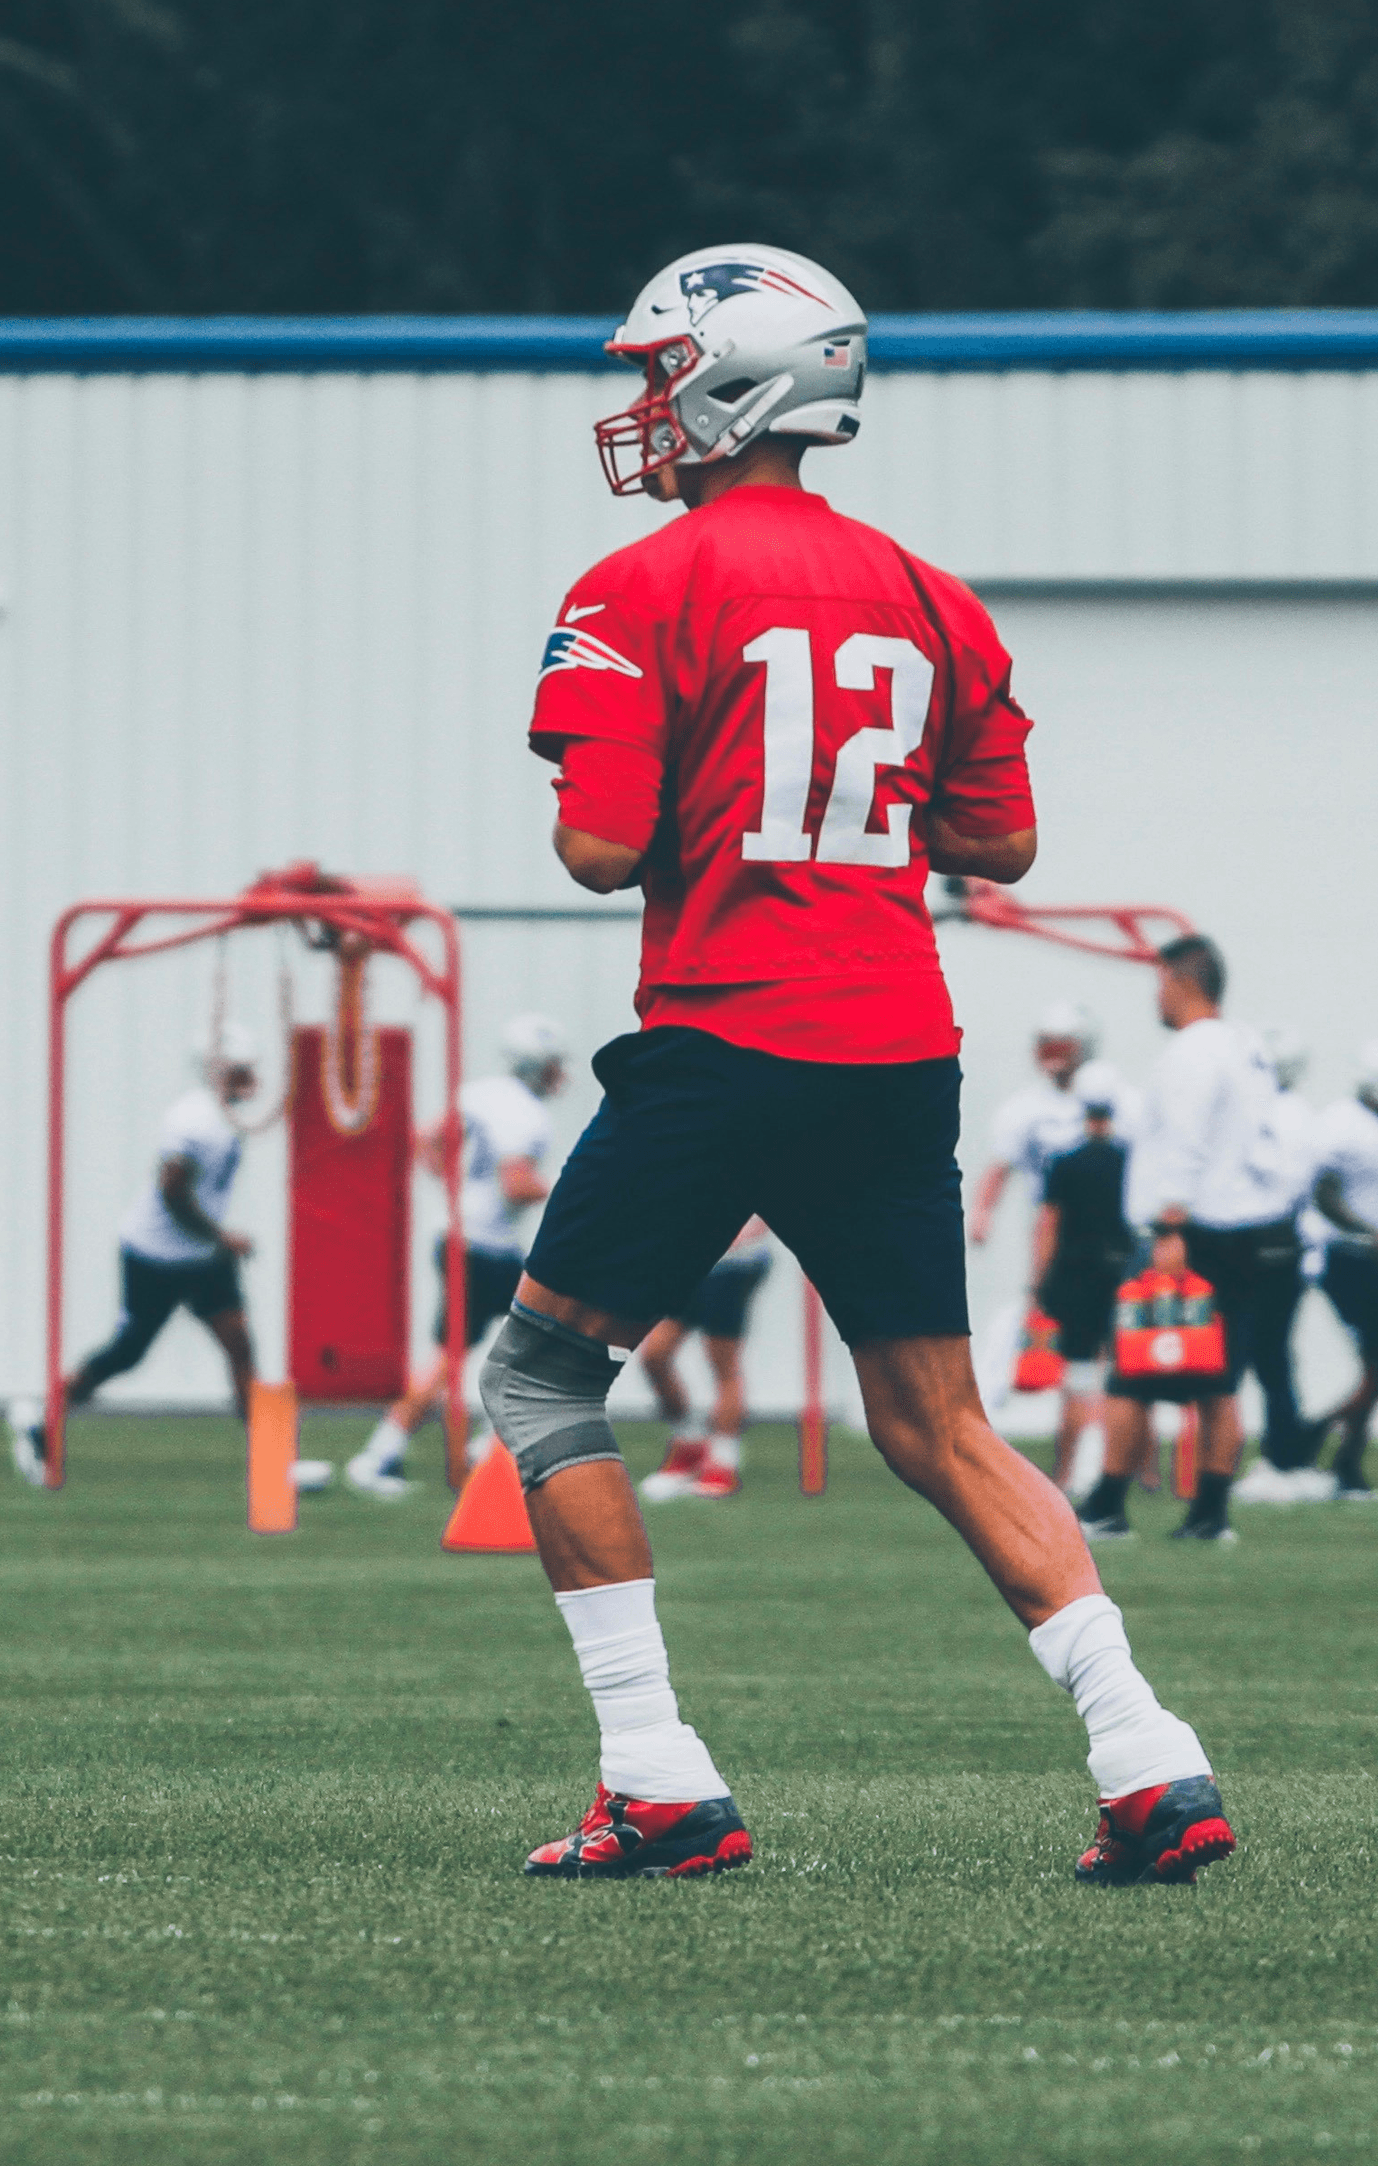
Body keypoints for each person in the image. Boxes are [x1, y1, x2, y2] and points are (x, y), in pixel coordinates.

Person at [481, 239, 1233, 1888]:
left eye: (655, 373)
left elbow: (599, 847)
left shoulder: (634, 588)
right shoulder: (927, 595)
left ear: (725, 383)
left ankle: (655, 1772)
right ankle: (1145, 1752)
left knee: (538, 1381)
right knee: (938, 1418)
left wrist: (701, 786)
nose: (639, 408)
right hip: (894, 1035)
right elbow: (1001, 838)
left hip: (722, 1026)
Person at [1074, 934, 1305, 1549]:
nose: (1157, 995)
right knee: (1218, 1378)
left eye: (1160, 982)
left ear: (1181, 981)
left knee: (1134, 1370)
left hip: (1192, 1230)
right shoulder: (1244, 1044)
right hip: (1244, 1230)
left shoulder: (1194, 1051)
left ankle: (1107, 1506)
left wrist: (1168, 1227)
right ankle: (1210, 1512)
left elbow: (1185, 1138)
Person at [10, 1029, 261, 1477]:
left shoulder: (226, 1118)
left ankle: (265, 1455)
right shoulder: (195, 1120)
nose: (253, 1081)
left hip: (202, 1257)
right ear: (221, 1072)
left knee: (240, 1344)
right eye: (243, 1071)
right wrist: (221, 1236)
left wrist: (215, 1241)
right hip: (156, 1255)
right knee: (127, 1353)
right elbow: (172, 1191)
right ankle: (42, 1419)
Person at [344, 1015, 567, 1497]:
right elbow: (517, 1184)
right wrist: (577, 1186)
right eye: (553, 1066)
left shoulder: (481, 1093)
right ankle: (381, 1453)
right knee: (468, 1355)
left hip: (467, 1237)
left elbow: (426, 1137)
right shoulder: (524, 1113)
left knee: (527, 1343)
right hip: (483, 1246)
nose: (559, 1075)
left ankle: (484, 1446)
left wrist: (452, 1190)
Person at [1305, 1042, 1378, 1501]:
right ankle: (1342, 1459)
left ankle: (1323, 1436)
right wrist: (1372, 1233)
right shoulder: (1344, 1124)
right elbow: (1325, 1194)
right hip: (1351, 1258)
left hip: (1376, 1257)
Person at [1030, 1089, 1130, 1505]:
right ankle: (1118, 1470)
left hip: (1075, 1276)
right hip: (1121, 1275)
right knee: (1122, 1378)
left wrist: (1038, 1282)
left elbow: (1049, 1223)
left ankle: (1067, 1471)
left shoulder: (1065, 1163)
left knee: (1078, 1376)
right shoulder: (1130, 1161)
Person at [637, 1219, 773, 1501]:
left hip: (734, 1264)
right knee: (654, 1355)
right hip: (688, 1264)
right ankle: (689, 1445)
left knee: (721, 1362)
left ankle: (723, 1463)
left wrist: (732, 1234)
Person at [1241, 1026, 1322, 1484]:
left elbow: (1287, 1183)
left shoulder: (1284, 1115)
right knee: (1271, 1354)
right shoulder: (1289, 1112)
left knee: (1268, 1354)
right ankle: (1285, 1452)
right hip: (1280, 1246)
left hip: (1276, 1247)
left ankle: (1284, 1456)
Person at [967, 1002, 1107, 1249]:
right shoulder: (1024, 1107)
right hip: (1050, 1225)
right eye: (1046, 1048)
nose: (1053, 1057)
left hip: (1105, 1222)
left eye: (1061, 1048)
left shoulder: (1111, 1097)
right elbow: (999, 1166)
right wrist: (981, 1214)